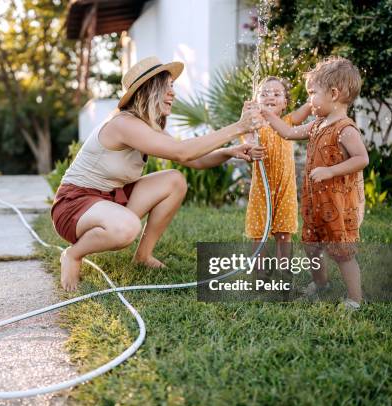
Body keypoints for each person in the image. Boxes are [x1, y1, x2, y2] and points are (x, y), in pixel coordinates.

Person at [51, 56, 266, 291]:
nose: (173, 93)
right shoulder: (124, 124)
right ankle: (73, 255)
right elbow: (182, 152)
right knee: (126, 228)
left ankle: (143, 256)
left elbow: (195, 160)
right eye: (168, 86)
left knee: (174, 180)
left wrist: (230, 152)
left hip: (109, 198)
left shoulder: (147, 127)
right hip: (75, 205)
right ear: (149, 89)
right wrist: (239, 127)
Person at [258, 56, 368, 309]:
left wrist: (330, 171)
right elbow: (288, 132)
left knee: (342, 252)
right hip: (315, 202)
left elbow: (362, 159)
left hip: (338, 205)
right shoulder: (317, 124)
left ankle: (354, 298)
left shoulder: (345, 129)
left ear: (333, 93)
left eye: (312, 94)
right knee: (312, 246)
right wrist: (266, 114)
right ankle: (321, 284)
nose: (309, 101)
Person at [242, 76, 311, 274]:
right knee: (259, 234)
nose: (270, 96)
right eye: (264, 93)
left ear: (285, 103)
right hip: (261, 190)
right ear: (256, 100)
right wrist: (246, 123)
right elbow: (246, 144)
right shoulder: (254, 126)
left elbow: (307, 108)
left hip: (285, 189)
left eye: (276, 94)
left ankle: (283, 271)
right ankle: (260, 273)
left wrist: (317, 93)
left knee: (284, 232)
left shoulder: (288, 122)